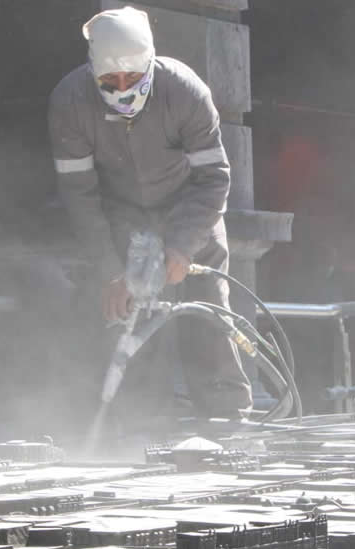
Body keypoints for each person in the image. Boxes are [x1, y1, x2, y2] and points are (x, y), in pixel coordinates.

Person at [49, 7, 251, 420]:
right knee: (133, 327)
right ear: (92, 70)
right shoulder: (69, 102)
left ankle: (228, 421)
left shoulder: (185, 91)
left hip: (191, 214)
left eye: (133, 80)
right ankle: (142, 427)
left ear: (150, 66)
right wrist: (110, 270)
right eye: (110, 81)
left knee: (208, 320)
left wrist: (182, 247)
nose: (122, 90)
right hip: (124, 217)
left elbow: (214, 179)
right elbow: (80, 196)